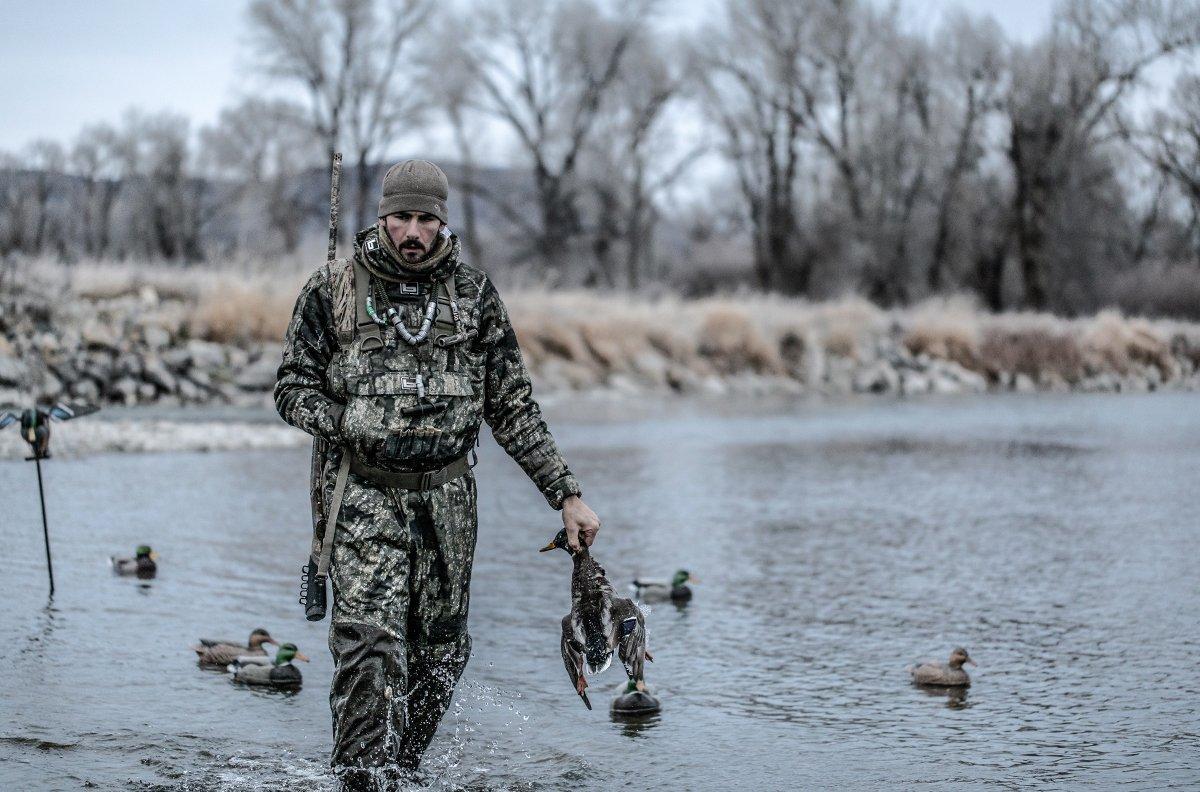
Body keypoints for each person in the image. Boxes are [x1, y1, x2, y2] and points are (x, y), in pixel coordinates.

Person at [274, 159, 601, 786]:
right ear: (382, 217)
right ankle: (361, 778)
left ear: (443, 221)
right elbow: (291, 390)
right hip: (362, 493)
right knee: (370, 650)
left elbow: (512, 408)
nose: (414, 231)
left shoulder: (475, 295)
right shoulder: (332, 291)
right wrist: (345, 419)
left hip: (449, 499)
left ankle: (402, 766)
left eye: (426, 218)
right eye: (402, 218)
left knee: (443, 654)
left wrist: (567, 494)